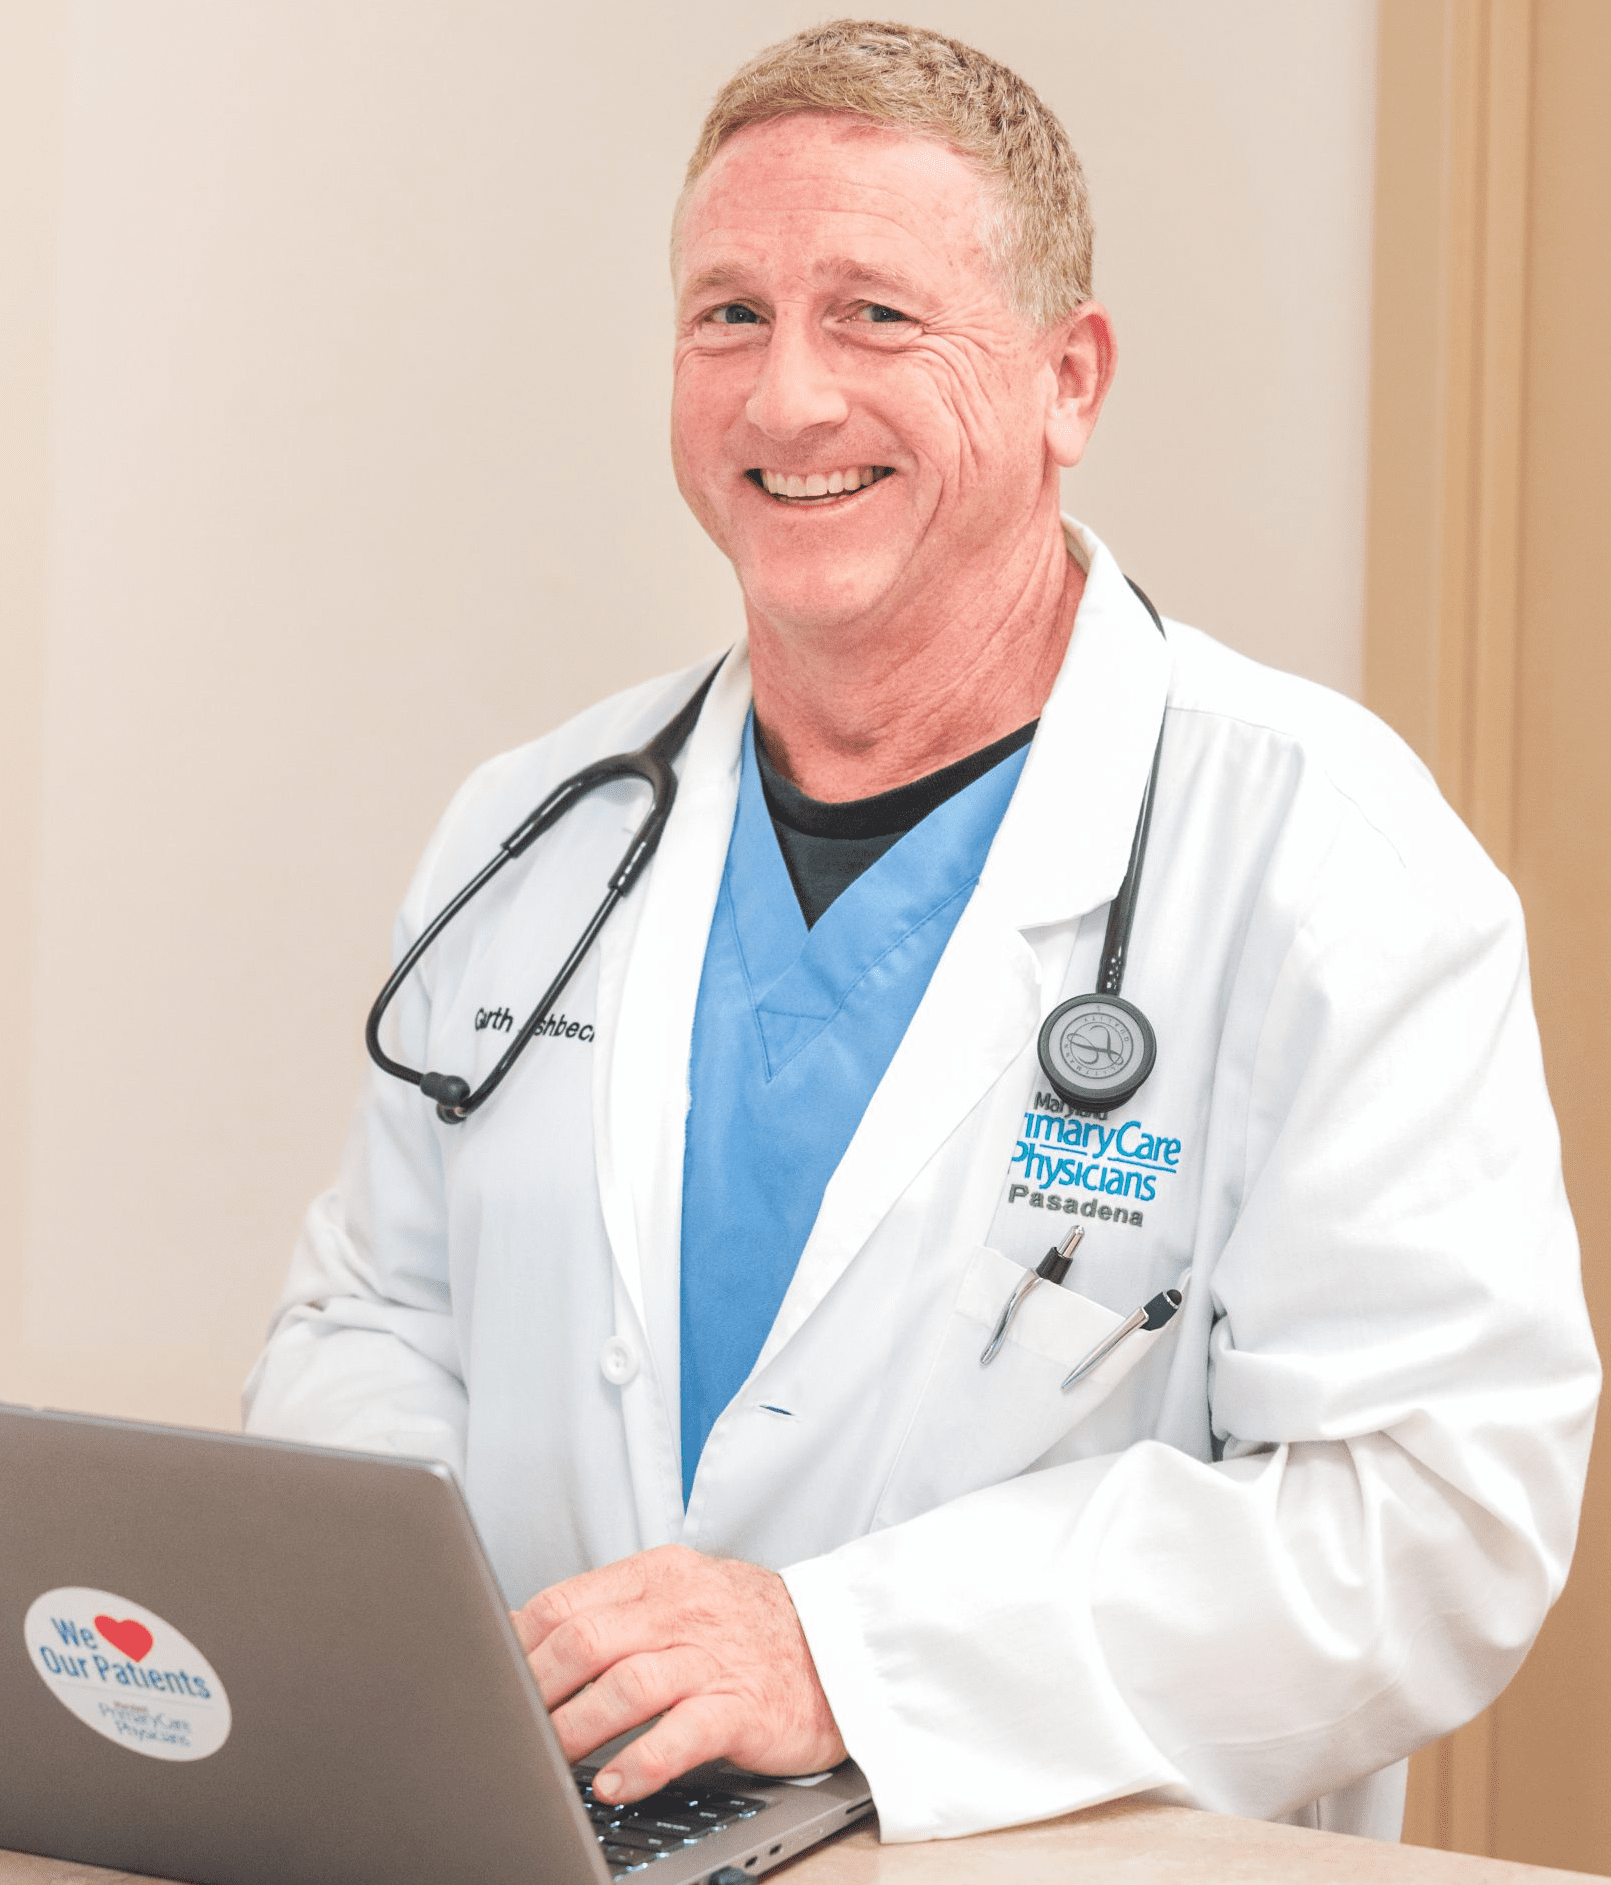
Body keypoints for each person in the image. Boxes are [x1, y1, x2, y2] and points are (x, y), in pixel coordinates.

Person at [243, 19, 1599, 1846]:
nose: (785, 399)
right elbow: (373, 1321)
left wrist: (844, 1653)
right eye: (728, 316)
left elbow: (1430, 1518)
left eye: (874, 316)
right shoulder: (536, 827)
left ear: (1067, 379)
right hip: (547, 1839)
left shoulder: (1322, 856)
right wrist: (452, 1668)